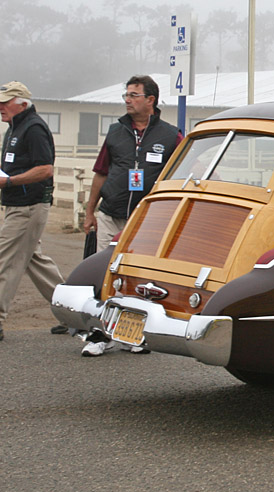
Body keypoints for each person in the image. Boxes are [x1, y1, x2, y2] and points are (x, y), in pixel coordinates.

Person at [80, 75, 181, 356]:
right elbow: (101, 172)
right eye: (126, 95)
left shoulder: (171, 135)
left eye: (134, 95)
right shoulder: (115, 132)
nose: (127, 100)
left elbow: (183, 172)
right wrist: (90, 211)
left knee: (138, 278)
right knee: (105, 273)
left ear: (150, 100)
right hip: (110, 213)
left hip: (146, 220)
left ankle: (131, 334)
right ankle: (99, 334)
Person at [0, 81, 67, 342]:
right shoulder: (15, 128)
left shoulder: (34, 128)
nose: (1, 107)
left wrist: (8, 182)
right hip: (18, 205)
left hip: (28, 208)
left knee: (5, 261)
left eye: (5, 102)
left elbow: (45, 169)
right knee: (34, 260)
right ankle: (73, 312)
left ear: (22, 103)